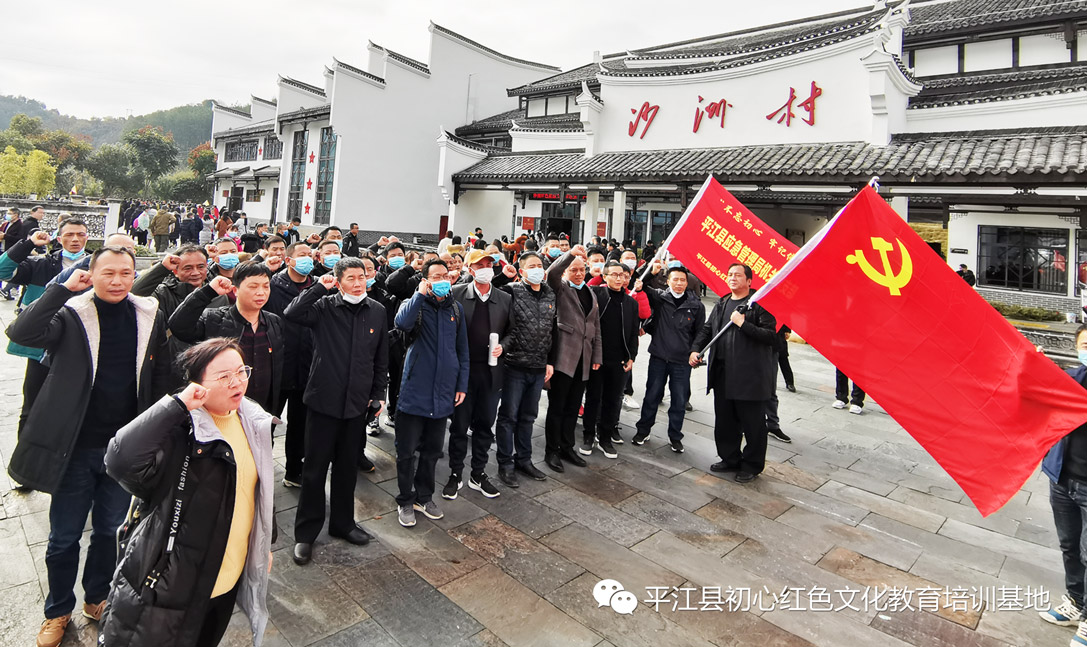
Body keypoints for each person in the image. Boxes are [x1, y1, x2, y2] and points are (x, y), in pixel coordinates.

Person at [5, 247, 170, 647]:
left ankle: (96, 598)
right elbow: (21, 332)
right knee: (64, 536)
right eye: (108, 273)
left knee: (110, 531)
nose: (117, 281)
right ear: (91, 274)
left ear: (135, 275)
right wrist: (61, 290)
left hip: (121, 449)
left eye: (126, 273)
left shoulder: (149, 314)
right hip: (74, 448)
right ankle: (57, 610)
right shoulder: (71, 314)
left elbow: (161, 374)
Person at [102, 338, 275, 647]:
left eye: (241, 371)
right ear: (198, 385)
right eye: (224, 377)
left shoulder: (253, 421)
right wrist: (176, 405)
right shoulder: (181, 432)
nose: (237, 382)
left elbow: (257, 491)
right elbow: (120, 460)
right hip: (173, 587)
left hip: (227, 579)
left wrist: (264, 544)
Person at [284, 257, 388, 564]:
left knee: (346, 469)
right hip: (323, 401)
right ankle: (305, 534)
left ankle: (344, 523)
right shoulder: (324, 307)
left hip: (356, 404)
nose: (358, 283)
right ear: (338, 280)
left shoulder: (377, 311)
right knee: (314, 470)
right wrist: (318, 287)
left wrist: (378, 394)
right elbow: (293, 313)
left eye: (363, 277)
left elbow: (380, 358)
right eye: (351, 278)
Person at [393, 259, 469, 527]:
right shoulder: (416, 305)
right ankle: (405, 499)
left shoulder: (456, 310)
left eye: (445, 276)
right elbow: (402, 324)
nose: (442, 280)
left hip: (444, 392)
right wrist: (419, 295)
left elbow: (463, 352)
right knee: (406, 451)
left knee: (433, 450)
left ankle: (424, 496)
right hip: (415, 390)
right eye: (435, 276)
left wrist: (461, 385)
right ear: (424, 279)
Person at [0, 220, 89, 439]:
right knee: (33, 402)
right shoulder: (40, 265)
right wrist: (28, 243)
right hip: (43, 345)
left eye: (80, 234)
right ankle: (25, 454)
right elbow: (3, 270)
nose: (75, 239)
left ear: (87, 237)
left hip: (80, 343)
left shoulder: (96, 265)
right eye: (69, 235)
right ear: (59, 239)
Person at [692, 263, 777, 483]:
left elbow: (770, 337)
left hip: (750, 377)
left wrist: (743, 324)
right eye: (729, 274)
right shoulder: (722, 302)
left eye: (738, 275)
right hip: (723, 373)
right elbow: (708, 329)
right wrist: (696, 349)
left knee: (753, 424)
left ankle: (751, 465)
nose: (732, 278)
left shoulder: (758, 305)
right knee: (725, 421)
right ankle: (729, 458)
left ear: (749, 281)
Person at [169, 261, 284, 414]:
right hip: (221, 409)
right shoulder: (214, 319)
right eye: (253, 286)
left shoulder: (274, 322)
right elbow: (178, 326)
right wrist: (208, 292)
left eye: (265, 286)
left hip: (262, 410)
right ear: (235, 290)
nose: (261, 292)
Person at [442, 249, 511, 500]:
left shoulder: (504, 298)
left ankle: (478, 473)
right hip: (463, 372)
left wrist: (506, 345)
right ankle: (455, 473)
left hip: (491, 372)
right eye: (479, 265)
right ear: (470, 270)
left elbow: (513, 332)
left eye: (489, 264)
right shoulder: (457, 293)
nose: (485, 268)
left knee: (485, 425)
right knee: (460, 425)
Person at [1040, 325, 1087, 640]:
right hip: (1062, 478)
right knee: (1070, 546)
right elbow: (1039, 387)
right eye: (1085, 343)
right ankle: (1075, 602)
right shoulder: (1072, 379)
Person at [493, 252, 555, 486]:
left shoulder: (550, 293)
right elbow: (490, 289)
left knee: (528, 416)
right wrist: (501, 276)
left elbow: (553, 330)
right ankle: (505, 463)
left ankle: (524, 459)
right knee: (509, 416)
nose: (537, 269)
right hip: (514, 365)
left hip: (539, 366)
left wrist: (550, 360)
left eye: (540, 265)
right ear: (522, 271)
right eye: (532, 266)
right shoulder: (512, 290)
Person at [633, 264, 705, 453]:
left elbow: (701, 333)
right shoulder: (660, 297)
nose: (679, 283)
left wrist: (695, 351)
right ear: (668, 281)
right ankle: (643, 430)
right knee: (652, 396)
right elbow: (638, 281)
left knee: (679, 401)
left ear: (687, 282)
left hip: (681, 361)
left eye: (683, 280)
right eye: (675, 279)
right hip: (659, 356)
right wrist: (652, 270)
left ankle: (675, 436)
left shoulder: (696, 305)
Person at [543, 249, 601, 473]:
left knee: (572, 407)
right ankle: (552, 450)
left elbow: (595, 328)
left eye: (582, 269)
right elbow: (552, 273)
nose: (579, 274)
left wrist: (597, 356)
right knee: (557, 407)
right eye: (573, 270)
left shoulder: (590, 292)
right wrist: (569, 254)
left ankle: (567, 447)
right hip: (564, 358)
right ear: (566, 272)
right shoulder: (561, 289)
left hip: (583, 360)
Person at [265, 242, 315, 487]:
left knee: (301, 425)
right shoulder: (273, 286)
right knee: (268, 422)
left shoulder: (317, 287)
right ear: (288, 260)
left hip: (307, 366)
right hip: (277, 366)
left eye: (310, 254)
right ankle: (261, 470)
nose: (308, 258)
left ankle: (294, 471)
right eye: (302, 255)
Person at [580, 260, 639, 458]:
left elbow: (632, 334)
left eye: (622, 275)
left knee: (613, 401)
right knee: (593, 398)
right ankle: (589, 436)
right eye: (613, 274)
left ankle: (605, 437)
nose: (618, 278)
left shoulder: (631, 302)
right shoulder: (596, 294)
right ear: (605, 277)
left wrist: (632, 357)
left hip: (619, 360)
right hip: (597, 358)